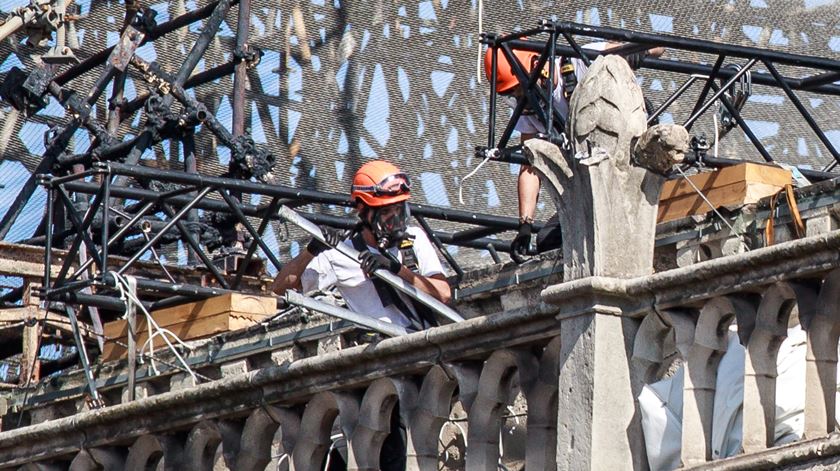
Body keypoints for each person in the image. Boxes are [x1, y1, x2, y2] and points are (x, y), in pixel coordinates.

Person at [484, 43, 664, 261]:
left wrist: (629, 54)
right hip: (593, 183)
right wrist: (525, 225)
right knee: (548, 241)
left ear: (538, 67)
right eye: (512, 93)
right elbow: (531, 165)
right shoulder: (530, 108)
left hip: (629, 167)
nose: (520, 97)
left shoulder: (580, 61)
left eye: (520, 88)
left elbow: (659, 47)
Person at [272, 159, 451, 333]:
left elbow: (443, 294)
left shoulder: (414, 238)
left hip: (426, 341)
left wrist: (396, 269)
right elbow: (280, 287)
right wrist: (312, 250)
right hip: (388, 349)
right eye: (386, 211)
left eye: (399, 209)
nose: (395, 218)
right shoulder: (342, 254)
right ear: (362, 210)